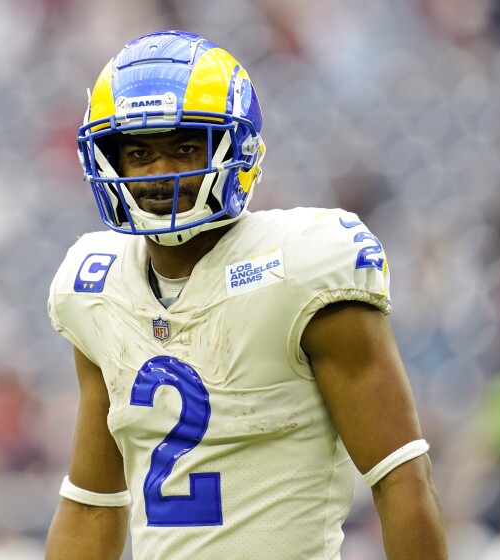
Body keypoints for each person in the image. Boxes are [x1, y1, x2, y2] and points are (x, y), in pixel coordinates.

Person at [45, 29, 447, 560]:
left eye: (186, 147)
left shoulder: (302, 265)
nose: (161, 174)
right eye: (139, 152)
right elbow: (93, 503)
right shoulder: (96, 285)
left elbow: (400, 480)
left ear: (238, 148)